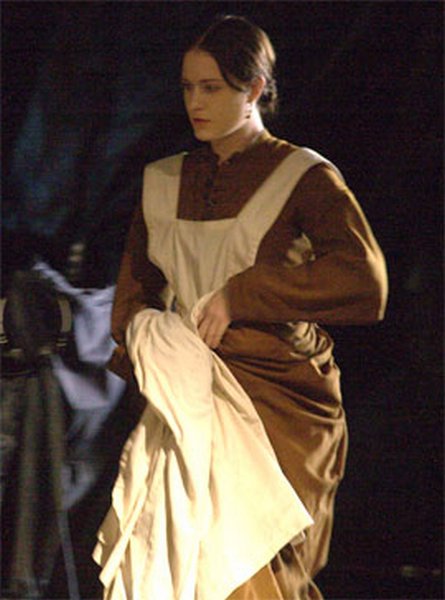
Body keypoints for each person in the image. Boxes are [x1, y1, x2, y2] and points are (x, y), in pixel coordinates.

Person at [94, 15, 388, 599]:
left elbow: (364, 282)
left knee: (252, 575)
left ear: (253, 89)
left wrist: (241, 294)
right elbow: (134, 294)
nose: (195, 103)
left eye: (212, 88)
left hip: (276, 406)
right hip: (186, 399)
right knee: (170, 569)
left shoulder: (302, 176)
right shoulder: (163, 181)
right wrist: (153, 343)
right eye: (187, 87)